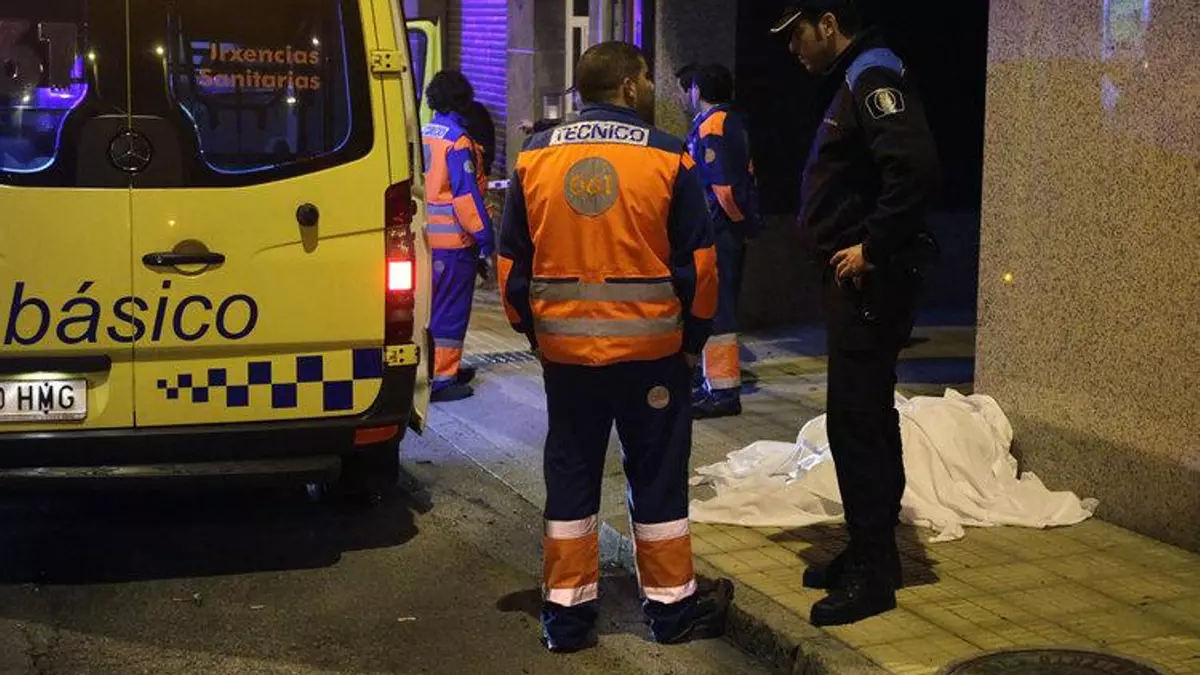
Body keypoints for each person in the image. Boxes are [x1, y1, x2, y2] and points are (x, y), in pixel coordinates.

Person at [498, 41, 734, 653]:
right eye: (648, 77)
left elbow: (510, 266)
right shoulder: (668, 155)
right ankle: (671, 612)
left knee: (571, 476)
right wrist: (693, 343)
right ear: (629, 86)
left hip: (567, 360)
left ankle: (566, 619)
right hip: (652, 356)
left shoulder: (534, 156)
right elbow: (701, 267)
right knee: (656, 478)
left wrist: (536, 334)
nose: (653, 86)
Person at [772, 0, 941, 626]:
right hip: (862, 282)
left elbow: (914, 168)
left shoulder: (872, 76)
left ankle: (874, 572)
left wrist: (873, 247)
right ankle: (872, 551)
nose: (793, 48)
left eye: (797, 34)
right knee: (860, 419)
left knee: (858, 423)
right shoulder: (854, 76)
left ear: (828, 23)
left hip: (873, 283)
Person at [685, 64, 761, 419]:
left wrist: (727, 224)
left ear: (697, 91)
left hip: (718, 229)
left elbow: (723, 188)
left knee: (717, 310)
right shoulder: (733, 120)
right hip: (728, 228)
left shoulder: (712, 125)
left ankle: (722, 392)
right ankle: (715, 385)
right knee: (717, 305)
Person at [421, 71, 495, 402]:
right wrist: (484, 236)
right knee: (451, 310)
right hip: (454, 245)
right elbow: (466, 198)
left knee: (430, 309)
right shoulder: (458, 141)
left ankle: (433, 368)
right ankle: (442, 378)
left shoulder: (425, 133)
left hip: (426, 240)